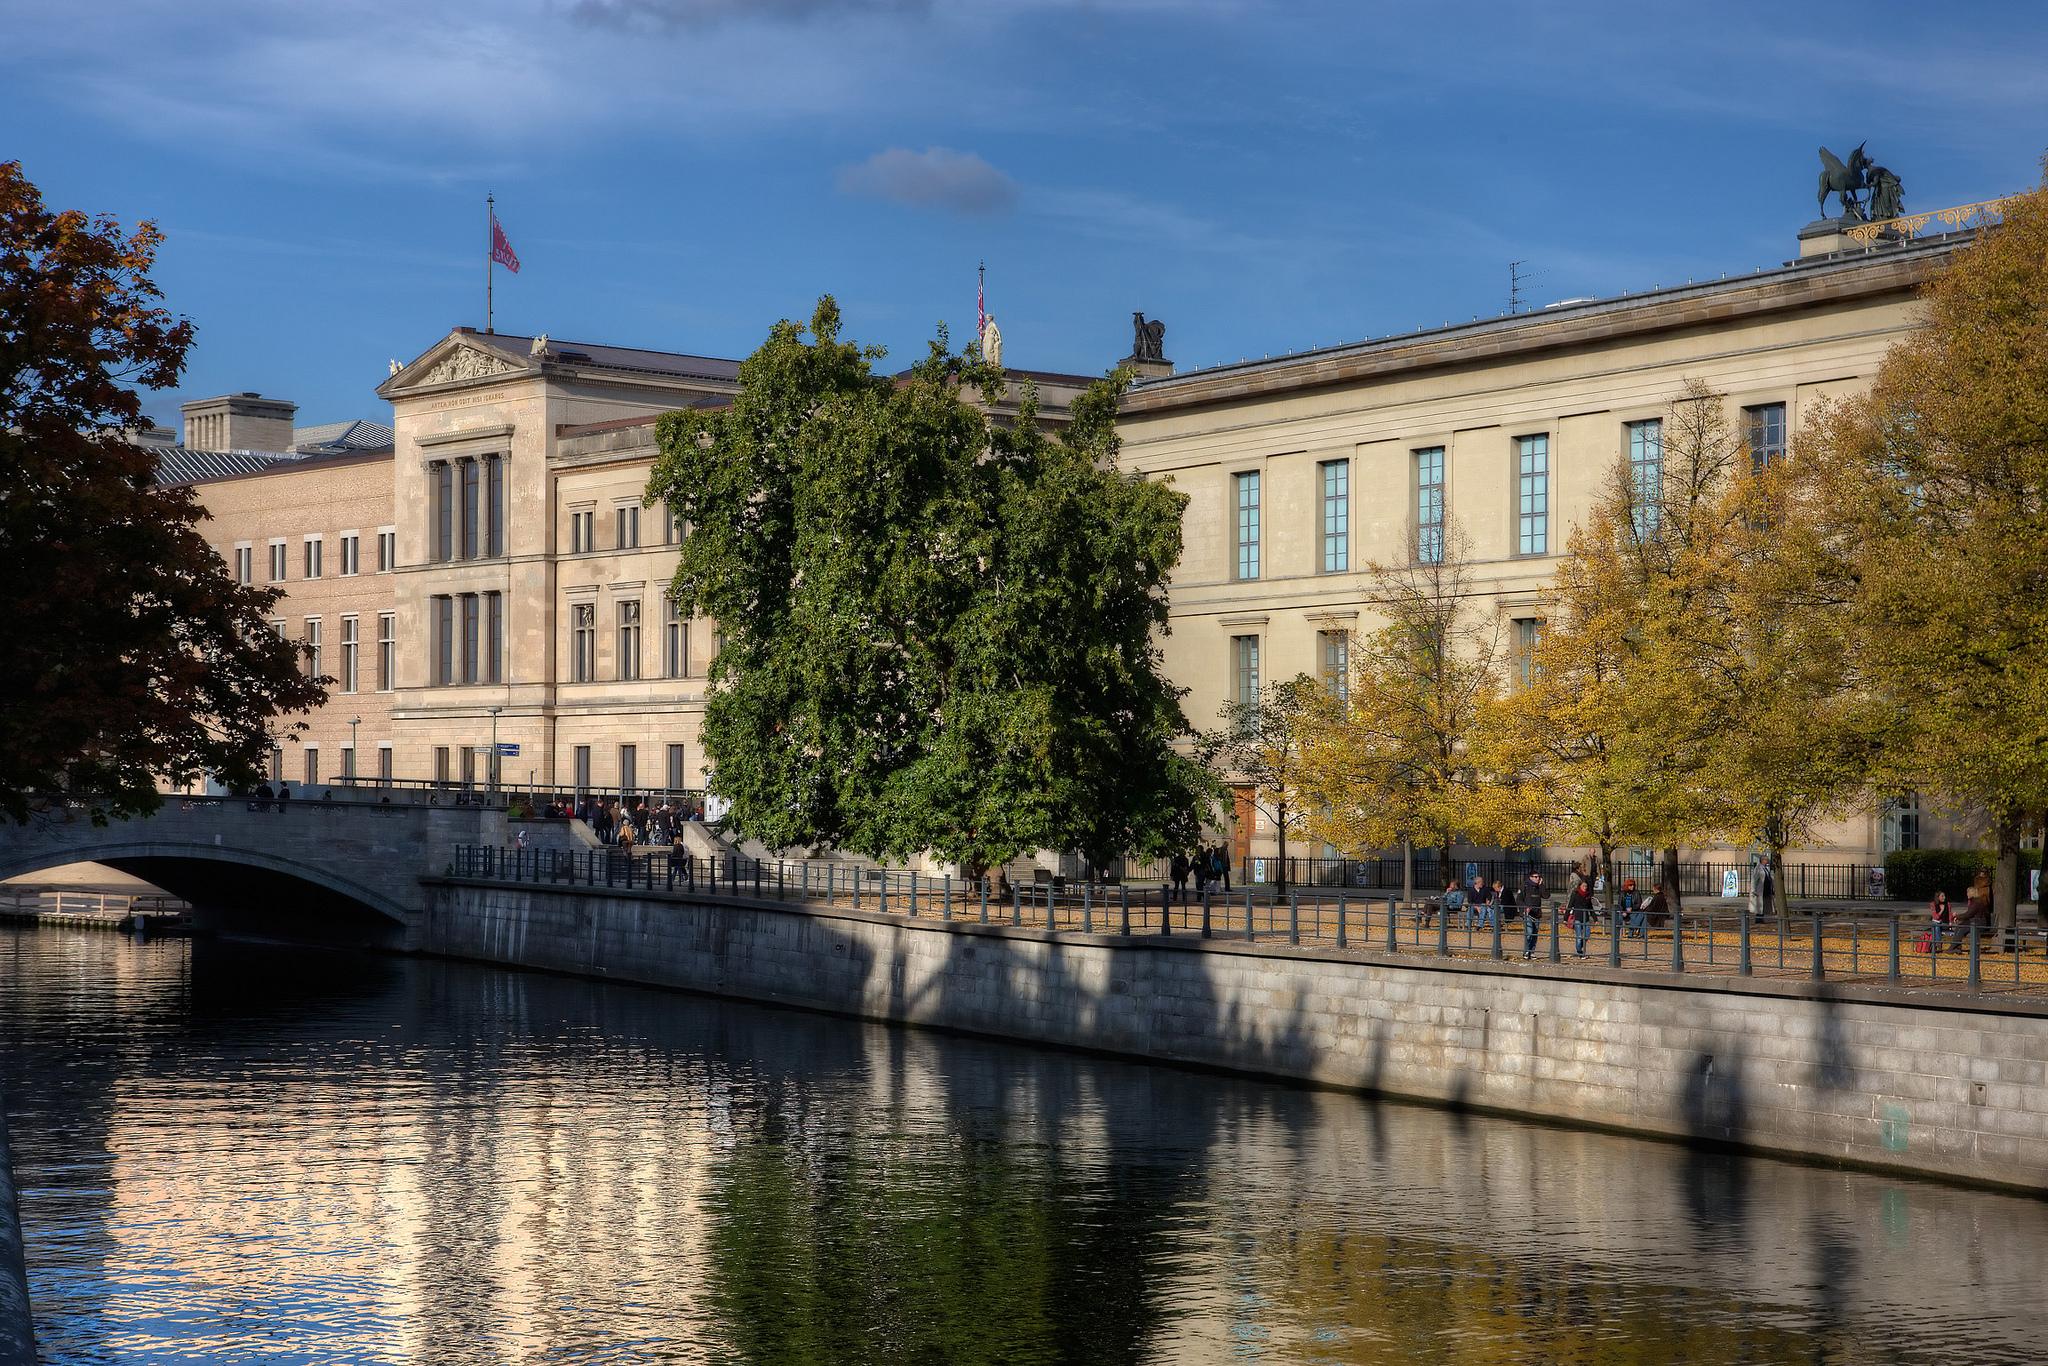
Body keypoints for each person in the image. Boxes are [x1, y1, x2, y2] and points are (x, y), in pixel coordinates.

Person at [1567, 876, 1594, 957]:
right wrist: (1566, 918)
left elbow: (1590, 907)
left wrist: (1595, 918)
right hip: (1578, 917)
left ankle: (1580, 948)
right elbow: (1570, 905)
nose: (1585, 888)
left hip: (1586, 918)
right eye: (1583, 886)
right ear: (1580, 886)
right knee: (1579, 936)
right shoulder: (1575, 894)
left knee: (1587, 934)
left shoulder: (1588, 895)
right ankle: (1579, 951)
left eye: (1586, 886)